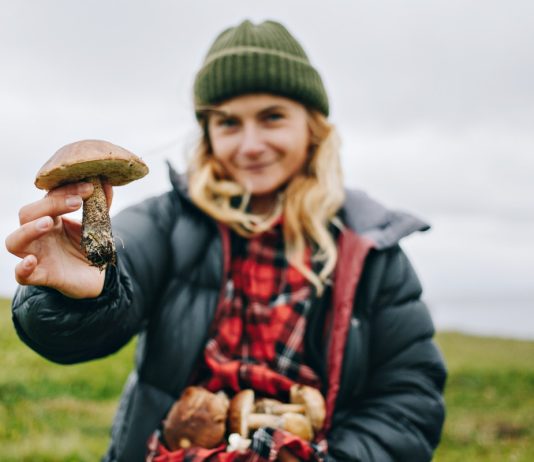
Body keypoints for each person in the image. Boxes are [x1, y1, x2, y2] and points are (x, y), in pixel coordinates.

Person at [6, 19, 446, 462]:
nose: (251, 144)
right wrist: (76, 298)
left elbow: (408, 402)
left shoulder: (372, 249)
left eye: (272, 117)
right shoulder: (168, 222)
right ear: (208, 134)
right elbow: (113, 283)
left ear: (312, 126)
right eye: (229, 122)